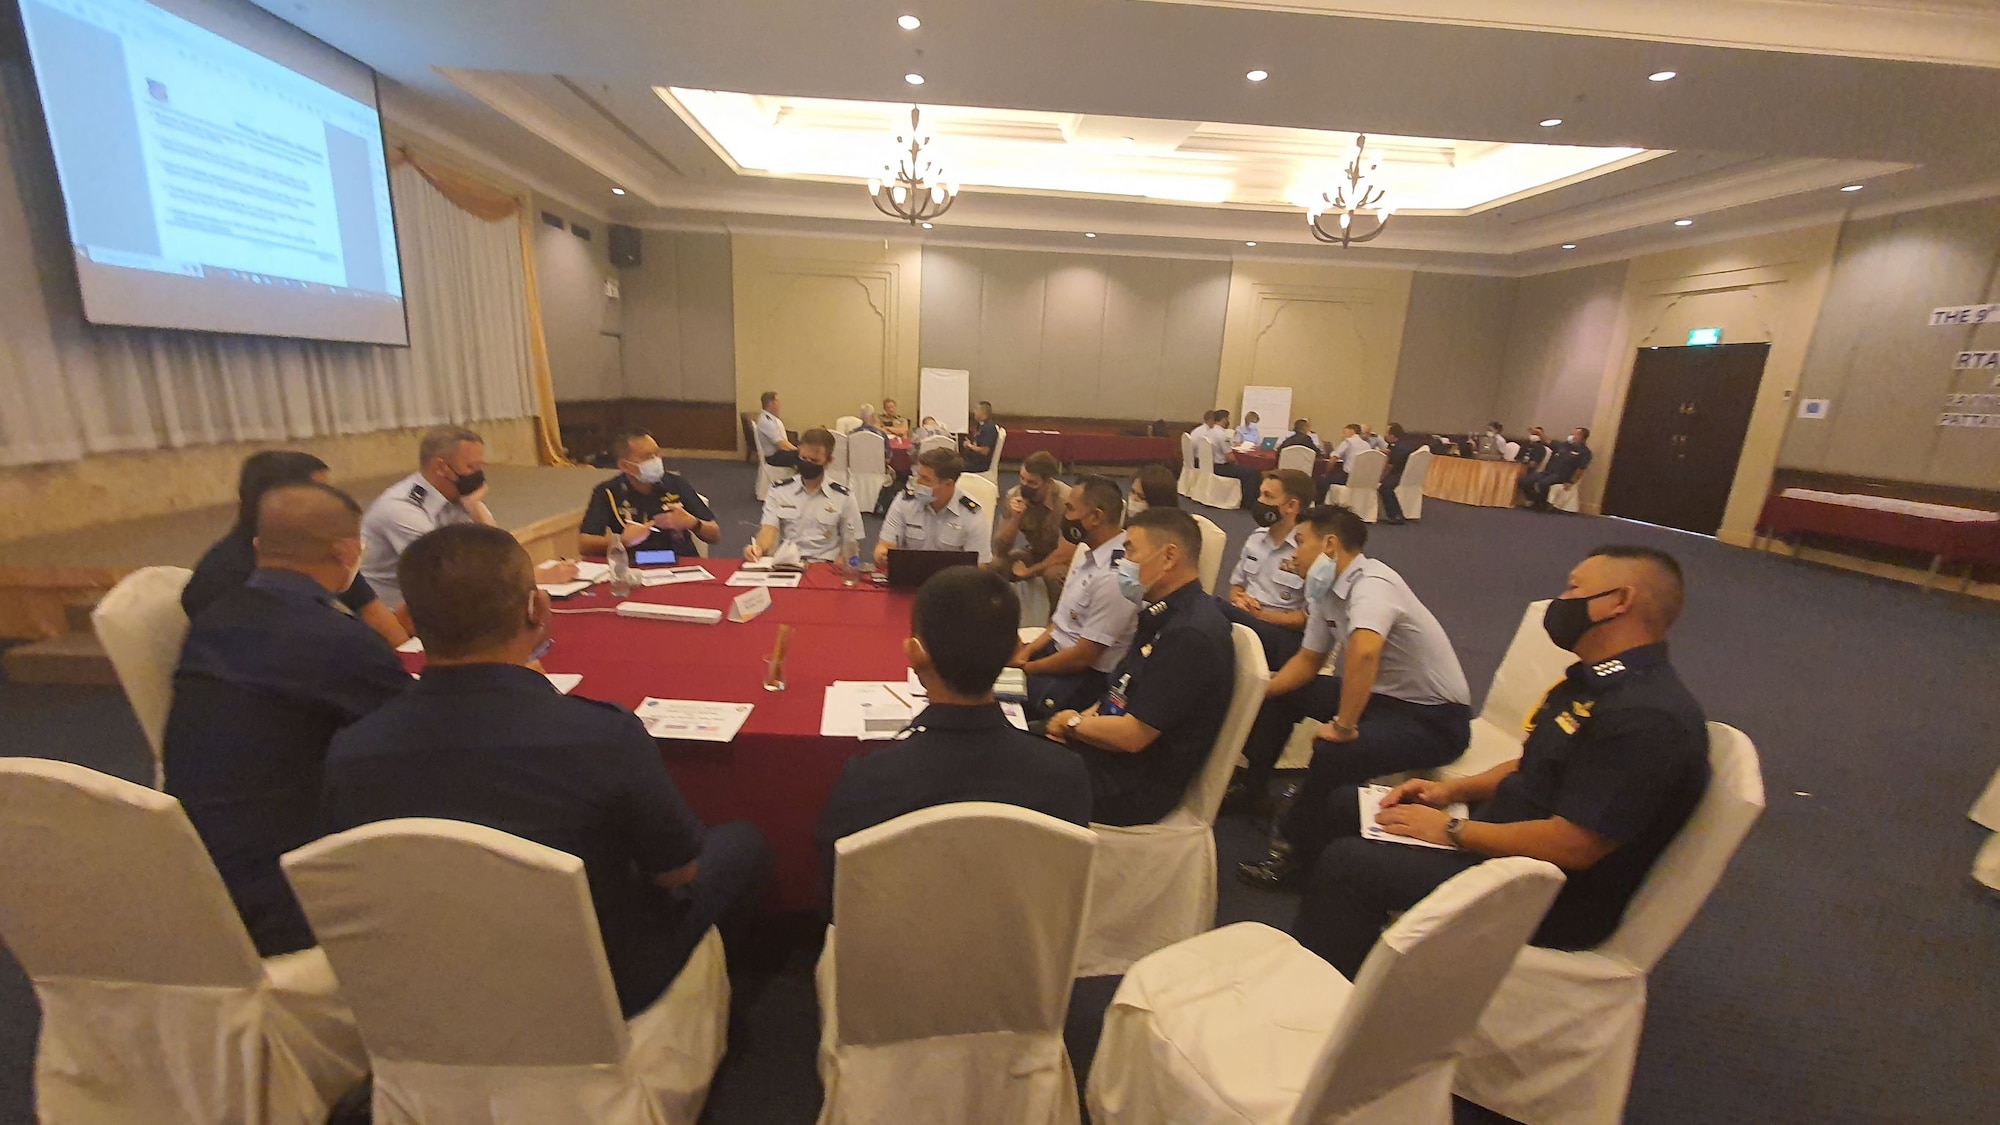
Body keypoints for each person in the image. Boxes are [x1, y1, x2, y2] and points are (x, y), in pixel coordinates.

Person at [318, 524, 772, 1019]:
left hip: (431, 976)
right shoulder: (602, 736)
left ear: (414, 621)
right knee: (744, 843)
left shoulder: (352, 751)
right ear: (536, 609)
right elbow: (677, 872)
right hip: (600, 982)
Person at [1290, 546, 1710, 978]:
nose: (1560, 602)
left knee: (1348, 867)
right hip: (1503, 839)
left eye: (1573, 588)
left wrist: (1454, 831)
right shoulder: (1590, 684)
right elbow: (1531, 765)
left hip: (1542, 892)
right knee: (1347, 805)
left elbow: (1576, 845)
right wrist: (1448, 792)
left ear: (1619, 601)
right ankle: (1353, 946)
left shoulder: (1647, 717)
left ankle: (1337, 1011)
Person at [164, 482, 410, 956]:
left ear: (260, 549)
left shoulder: (213, 621)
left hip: (193, 879)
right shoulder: (337, 641)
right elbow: (413, 738)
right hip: (291, 898)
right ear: (346, 552)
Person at [816, 567, 1092, 906]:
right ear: (1012, 655)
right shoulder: (1065, 776)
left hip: (894, 956)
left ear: (915, 653)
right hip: (1016, 956)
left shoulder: (867, 781)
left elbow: (834, 899)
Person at [1237, 505, 1472, 885]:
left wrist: (1344, 726)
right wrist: (1253, 692)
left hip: (1434, 719)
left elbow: (1365, 652)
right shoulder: (1326, 591)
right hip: (1383, 702)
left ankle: (1298, 857)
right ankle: (1253, 790)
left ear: (1330, 545)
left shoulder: (1373, 584)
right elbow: (1307, 663)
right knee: (1285, 694)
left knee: (1334, 752)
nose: (1293, 554)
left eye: (1300, 542)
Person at [1042, 508, 1236, 826]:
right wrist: (1079, 726)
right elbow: (1117, 694)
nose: (1124, 561)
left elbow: (1134, 735)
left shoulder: (1190, 634)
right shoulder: (1162, 615)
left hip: (1134, 786)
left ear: (1169, 556)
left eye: (1130, 549)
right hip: (1110, 758)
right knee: (1013, 748)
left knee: (1012, 778)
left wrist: (1073, 724)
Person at [184, 450, 408, 648]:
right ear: (280, 501)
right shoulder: (222, 577)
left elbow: (373, 612)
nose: (332, 502)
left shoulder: (322, 549)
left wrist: (411, 659)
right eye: (320, 493)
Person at [1012, 476, 1139, 720]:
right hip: (1055, 657)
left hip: (1081, 678)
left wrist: (1027, 668)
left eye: (1070, 509)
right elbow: (1059, 624)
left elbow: (1083, 657)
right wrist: (1026, 654)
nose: (1065, 515)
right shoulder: (1088, 552)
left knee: (1000, 703)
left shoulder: (1116, 576)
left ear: (1095, 517)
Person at [359, 426, 501, 610]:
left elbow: (499, 552)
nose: (478, 475)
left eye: (481, 466)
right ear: (441, 467)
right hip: (396, 618)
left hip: (436, 603)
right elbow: (447, 572)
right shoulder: (400, 509)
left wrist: (476, 508)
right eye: (471, 467)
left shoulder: (462, 497)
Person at [579, 430, 720, 560]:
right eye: (647, 457)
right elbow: (584, 544)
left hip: (680, 561)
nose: (655, 461)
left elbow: (714, 534)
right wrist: (622, 541)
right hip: (635, 564)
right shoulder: (607, 492)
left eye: (657, 454)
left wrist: (692, 523)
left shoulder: (676, 484)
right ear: (625, 466)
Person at [1222, 469, 1313, 669]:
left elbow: (1309, 617)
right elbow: (1236, 585)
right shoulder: (1255, 539)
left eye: (1268, 496)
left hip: (1283, 636)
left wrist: (1260, 615)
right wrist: (1239, 599)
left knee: (1210, 610)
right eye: (1260, 494)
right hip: (1246, 621)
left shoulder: (1308, 551)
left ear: (1291, 506)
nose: (1259, 502)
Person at [748, 428, 864, 563]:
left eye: (814, 461)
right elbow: (768, 530)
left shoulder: (844, 497)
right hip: (788, 564)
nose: (807, 463)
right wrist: (758, 549)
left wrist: (843, 566)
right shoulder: (779, 490)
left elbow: (851, 545)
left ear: (829, 460)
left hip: (825, 566)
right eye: (803, 458)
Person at [874, 448, 989, 568]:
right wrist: (882, 554)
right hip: (909, 576)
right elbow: (884, 545)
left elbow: (980, 566)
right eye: (919, 476)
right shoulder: (904, 501)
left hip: (952, 581)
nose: (918, 483)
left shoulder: (971, 514)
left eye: (926, 479)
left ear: (948, 484)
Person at [989, 450, 1074, 606]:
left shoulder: (1066, 500)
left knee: (1053, 575)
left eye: (1032, 483)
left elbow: (1066, 553)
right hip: (1035, 552)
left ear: (1048, 483)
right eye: (1022, 479)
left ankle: (1055, 625)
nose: (1024, 486)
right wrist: (1015, 519)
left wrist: (1030, 571)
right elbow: (1000, 549)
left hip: (1065, 559)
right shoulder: (1014, 495)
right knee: (996, 565)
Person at [1520, 427, 1594, 511]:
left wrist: (1571, 481)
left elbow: (1581, 469)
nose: (1571, 436)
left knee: (1543, 483)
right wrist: (1539, 433)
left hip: (1562, 476)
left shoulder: (1585, 452)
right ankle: (1535, 500)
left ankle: (1542, 504)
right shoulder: (1563, 445)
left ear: (1582, 437)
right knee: (1525, 481)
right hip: (1548, 472)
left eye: (1575, 434)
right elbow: (1548, 441)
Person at [1376, 422, 1415, 526]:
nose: (1385, 435)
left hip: (1398, 474)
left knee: (1384, 488)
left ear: (1392, 436)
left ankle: (1396, 515)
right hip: (1407, 474)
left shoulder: (1398, 449)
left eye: (1386, 433)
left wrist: (1380, 478)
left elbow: (1390, 466)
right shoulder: (1405, 444)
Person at [754, 390, 800, 469]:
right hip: (773, 457)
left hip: (778, 454)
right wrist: (799, 451)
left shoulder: (769, 418)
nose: (779, 404)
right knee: (805, 458)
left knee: (806, 454)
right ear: (771, 403)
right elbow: (780, 444)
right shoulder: (766, 422)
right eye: (777, 400)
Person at [962, 401, 1000, 474]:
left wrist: (969, 445)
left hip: (979, 465)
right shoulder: (982, 426)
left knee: (952, 466)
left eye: (976, 410)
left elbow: (985, 451)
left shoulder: (989, 428)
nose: (974, 412)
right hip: (974, 461)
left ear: (983, 412)